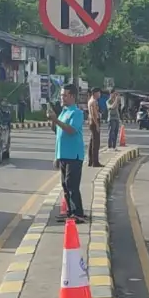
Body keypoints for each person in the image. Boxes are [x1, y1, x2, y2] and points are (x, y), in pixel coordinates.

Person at [52, 85, 87, 222]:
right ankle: (70, 212)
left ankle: (78, 213)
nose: (62, 98)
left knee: (71, 184)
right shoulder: (63, 112)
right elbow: (58, 136)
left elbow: (71, 130)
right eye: (61, 95)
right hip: (63, 154)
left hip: (74, 155)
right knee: (65, 185)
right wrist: (56, 156)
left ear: (72, 96)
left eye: (65, 95)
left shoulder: (76, 113)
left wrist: (56, 120)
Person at [86, 86, 103, 167]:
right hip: (94, 121)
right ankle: (95, 162)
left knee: (92, 141)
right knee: (96, 143)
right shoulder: (94, 101)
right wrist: (97, 125)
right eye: (99, 93)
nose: (100, 94)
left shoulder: (90, 100)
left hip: (91, 121)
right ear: (95, 93)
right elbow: (93, 114)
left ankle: (90, 160)